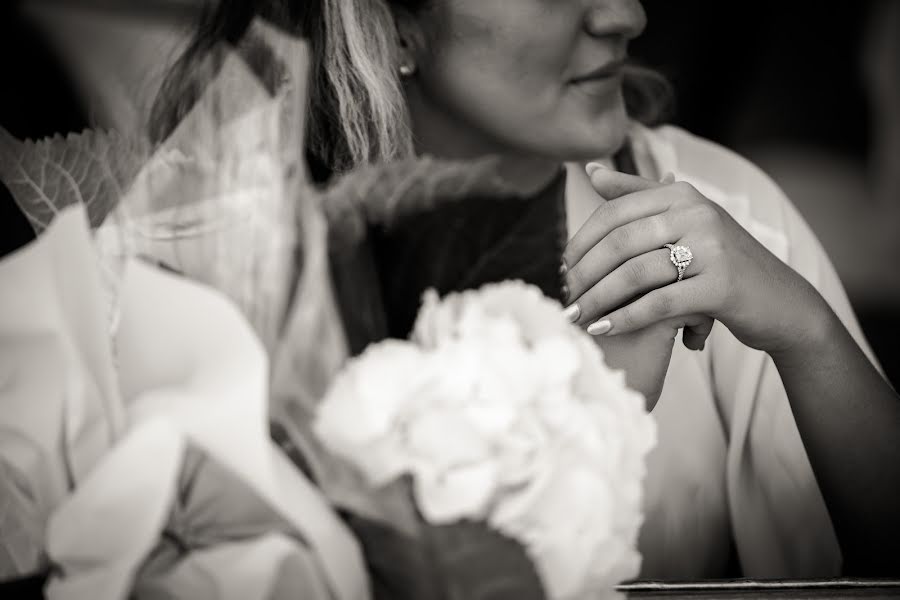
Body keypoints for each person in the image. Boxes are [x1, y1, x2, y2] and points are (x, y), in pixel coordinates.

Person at [153, 0, 900, 579]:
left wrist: (807, 332)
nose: (625, 13)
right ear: (392, 27)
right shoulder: (212, 271)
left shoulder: (719, 208)